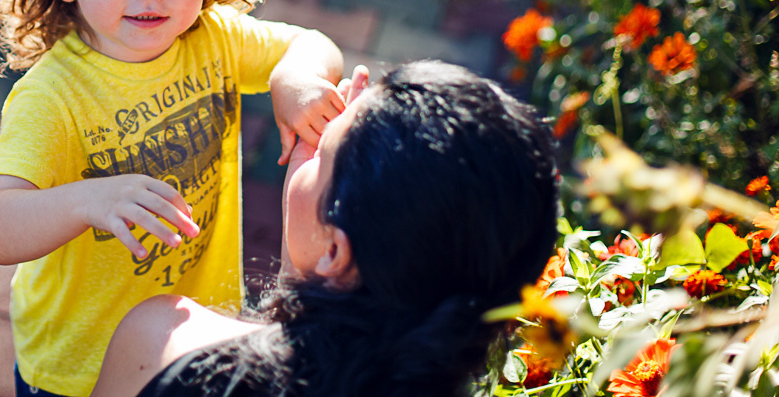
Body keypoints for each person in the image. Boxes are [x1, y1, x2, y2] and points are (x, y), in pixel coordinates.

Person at [0, 0, 345, 397]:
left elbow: (310, 43)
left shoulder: (213, 37)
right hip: (78, 367)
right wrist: (88, 201)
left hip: (190, 339)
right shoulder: (54, 96)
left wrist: (293, 80)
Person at [91, 60, 560, 397]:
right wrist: (307, 265)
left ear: (337, 252)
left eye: (322, 152)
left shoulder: (163, 340)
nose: (311, 146)